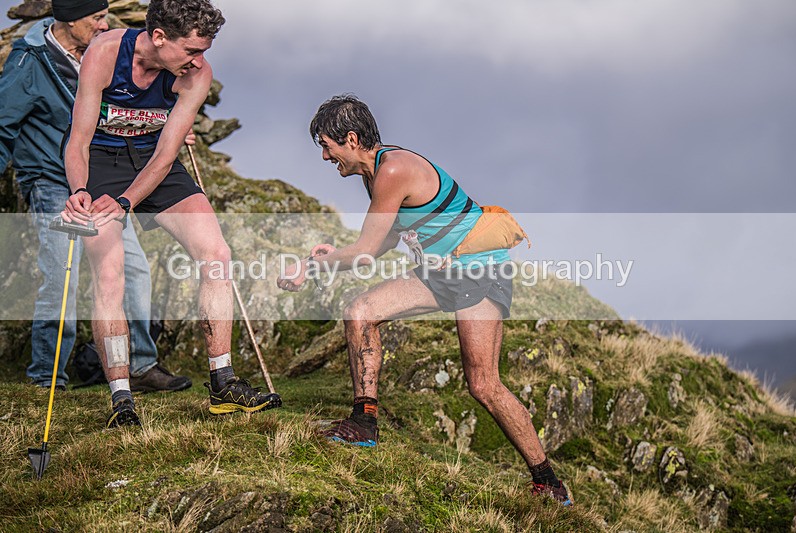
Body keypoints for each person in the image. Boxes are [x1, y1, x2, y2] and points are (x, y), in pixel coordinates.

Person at [277, 95, 572, 505]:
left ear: (350, 138)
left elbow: (364, 251)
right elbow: (384, 243)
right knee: (360, 312)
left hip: (479, 270)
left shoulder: (393, 169)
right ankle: (364, 423)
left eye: (327, 145)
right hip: (439, 272)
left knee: (483, 384)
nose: (326, 156)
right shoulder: (374, 174)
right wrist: (327, 259)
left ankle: (548, 482)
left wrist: (311, 266)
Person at [61, 0, 279, 428]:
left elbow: (164, 156)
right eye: (192, 50)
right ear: (159, 37)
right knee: (110, 271)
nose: (199, 61)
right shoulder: (105, 53)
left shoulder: (196, 75)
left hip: (151, 159)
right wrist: (81, 194)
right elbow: (78, 140)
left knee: (216, 253)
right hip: (100, 161)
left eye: (204, 50)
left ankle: (222, 381)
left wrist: (126, 203)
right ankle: (122, 399)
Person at [0, 0, 191, 394]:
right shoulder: (30, 62)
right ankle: (47, 376)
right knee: (62, 276)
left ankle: (138, 365)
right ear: (68, 21)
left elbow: (125, 112)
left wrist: (166, 124)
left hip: (102, 179)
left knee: (134, 271)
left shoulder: (106, 54)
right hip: (53, 180)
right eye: (96, 18)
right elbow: (3, 125)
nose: (105, 24)